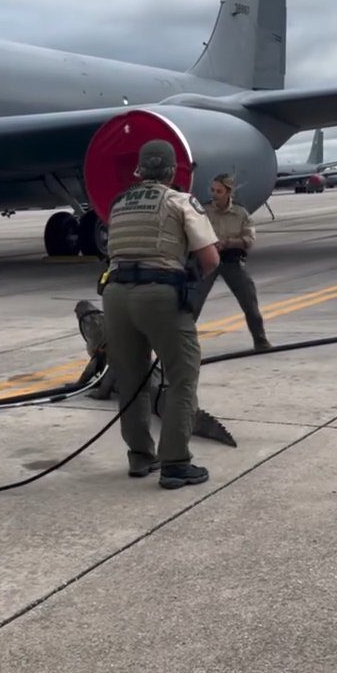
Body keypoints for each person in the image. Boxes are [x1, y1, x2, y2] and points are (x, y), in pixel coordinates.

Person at [101, 140, 220, 489]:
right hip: (159, 296)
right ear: (172, 171)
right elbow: (210, 260)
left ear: (139, 170)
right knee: (182, 377)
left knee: (131, 379)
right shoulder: (179, 201)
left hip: (115, 296)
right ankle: (176, 463)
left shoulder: (119, 204)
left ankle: (140, 457)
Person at [193, 173, 272, 350]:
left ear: (228, 192)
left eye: (219, 191)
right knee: (193, 305)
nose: (214, 194)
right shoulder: (203, 212)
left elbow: (249, 240)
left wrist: (229, 243)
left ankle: (260, 340)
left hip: (231, 261)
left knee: (249, 302)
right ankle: (184, 345)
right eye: (212, 190)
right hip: (207, 261)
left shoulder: (240, 213)